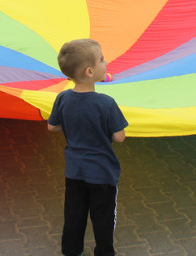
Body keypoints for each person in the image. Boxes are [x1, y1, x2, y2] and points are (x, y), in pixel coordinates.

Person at [47, 39, 128, 256]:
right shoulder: (106, 103)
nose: (106, 62)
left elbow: (52, 126)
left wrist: (71, 123)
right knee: (103, 218)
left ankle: (72, 251)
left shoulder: (63, 98)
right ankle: (104, 252)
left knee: (74, 215)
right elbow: (119, 137)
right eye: (102, 59)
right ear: (90, 71)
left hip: (75, 172)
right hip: (102, 173)